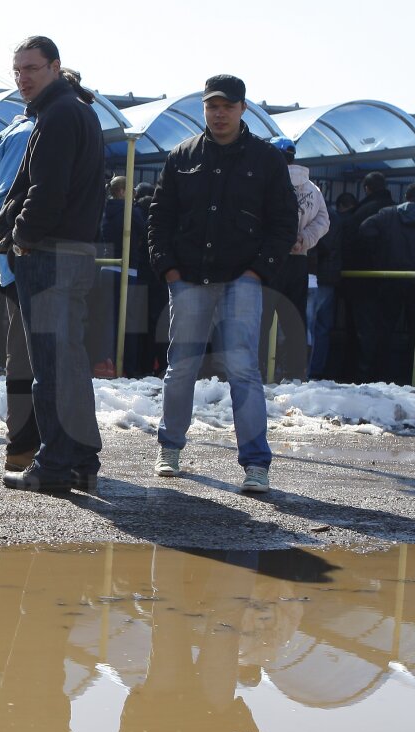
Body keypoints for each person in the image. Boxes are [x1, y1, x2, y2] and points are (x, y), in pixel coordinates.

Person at [148, 74, 297, 494]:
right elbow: (159, 218)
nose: (219, 113)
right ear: (204, 108)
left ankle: (255, 464)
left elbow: (284, 223)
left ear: (242, 108)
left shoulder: (266, 159)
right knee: (181, 369)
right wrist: (169, 271)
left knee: (243, 370)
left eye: (227, 106)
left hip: (242, 280)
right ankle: (170, 448)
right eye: (212, 106)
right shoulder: (182, 155)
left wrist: (258, 272)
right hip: (189, 280)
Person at [0, 36, 105, 493]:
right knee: (69, 365)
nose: (23, 77)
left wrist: (21, 236)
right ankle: (80, 459)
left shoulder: (58, 115)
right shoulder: (74, 111)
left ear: (55, 67)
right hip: (70, 253)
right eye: (17, 69)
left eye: (33, 68)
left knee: (51, 370)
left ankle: (55, 465)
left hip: (50, 254)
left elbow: (47, 192)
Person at [0, 103, 40, 475]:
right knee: (26, 357)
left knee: (33, 356)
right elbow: (3, 204)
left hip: (28, 263)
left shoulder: (29, 132)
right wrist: (11, 259)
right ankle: (22, 448)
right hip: (26, 264)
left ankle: (29, 446)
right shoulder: (28, 135)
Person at [259, 136, 328, 382]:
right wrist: (304, 240)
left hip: (270, 259)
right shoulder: (313, 189)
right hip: (300, 261)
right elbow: (323, 222)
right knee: (294, 320)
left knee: (262, 319)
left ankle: (258, 371)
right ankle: (296, 374)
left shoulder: (267, 181)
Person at [357, 182, 415, 383]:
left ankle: (379, 375)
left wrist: (379, 256)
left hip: (390, 278)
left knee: (383, 330)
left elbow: (365, 229)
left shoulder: (387, 214)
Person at [342, 172, 395, 381]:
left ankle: (361, 373)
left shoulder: (360, 213)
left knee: (362, 330)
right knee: (385, 330)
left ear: (366, 188)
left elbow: (351, 245)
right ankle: (386, 374)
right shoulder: (394, 210)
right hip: (392, 281)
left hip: (361, 282)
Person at [96, 175, 149, 378]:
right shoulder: (132, 213)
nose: (134, 195)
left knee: (107, 320)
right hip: (129, 270)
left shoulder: (104, 212)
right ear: (122, 191)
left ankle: (106, 362)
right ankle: (128, 365)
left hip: (106, 269)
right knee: (130, 321)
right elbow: (144, 233)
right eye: (131, 191)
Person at [307, 191, 350, 379]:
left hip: (316, 277)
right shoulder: (335, 217)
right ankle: (316, 369)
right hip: (330, 278)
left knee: (308, 324)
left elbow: (319, 246)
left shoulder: (319, 216)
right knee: (322, 327)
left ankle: (306, 369)